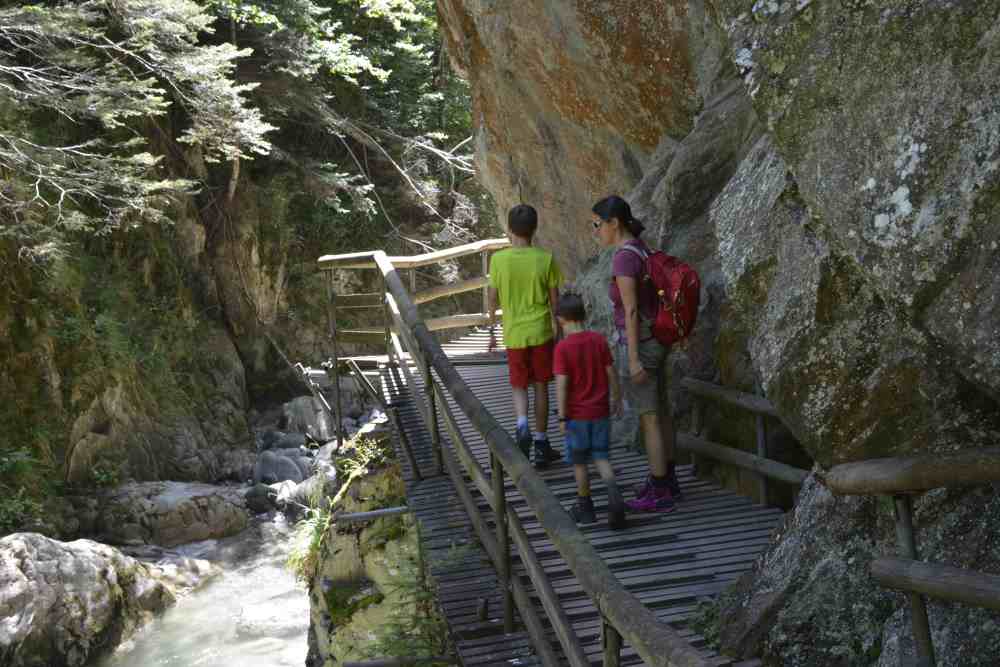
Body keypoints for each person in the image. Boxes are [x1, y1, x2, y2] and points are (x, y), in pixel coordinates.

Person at [592, 195, 681, 513]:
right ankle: (667, 479)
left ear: (614, 223)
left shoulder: (624, 258)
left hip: (641, 343)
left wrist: (632, 358)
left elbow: (630, 311)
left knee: (649, 417)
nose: (596, 231)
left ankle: (660, 491)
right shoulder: (641, 248)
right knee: (661, 412)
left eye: (597, 224)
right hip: (656, 339)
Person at [487, 204, 562, 467]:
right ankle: (541, 442)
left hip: (514, 333)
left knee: (519, 384)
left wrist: (492, 331)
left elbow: (493, 298)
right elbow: (555, 302)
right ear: (535, 228)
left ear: (509, 229)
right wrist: (559, 330)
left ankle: (521, 425)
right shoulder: (546, 259)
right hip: (541, 331)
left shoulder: (498, 260)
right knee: (541, 384)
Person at [553, 293, 626, 529]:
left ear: (561, 319)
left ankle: (585, 508)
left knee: (580, 462)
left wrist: (562, 415)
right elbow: (611, 372)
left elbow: (562, 385)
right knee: (601, 456)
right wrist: (617, 397)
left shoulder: (563, 348)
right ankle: (613, 491)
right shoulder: (598, 340)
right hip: (600, 411)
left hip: (577, 416)